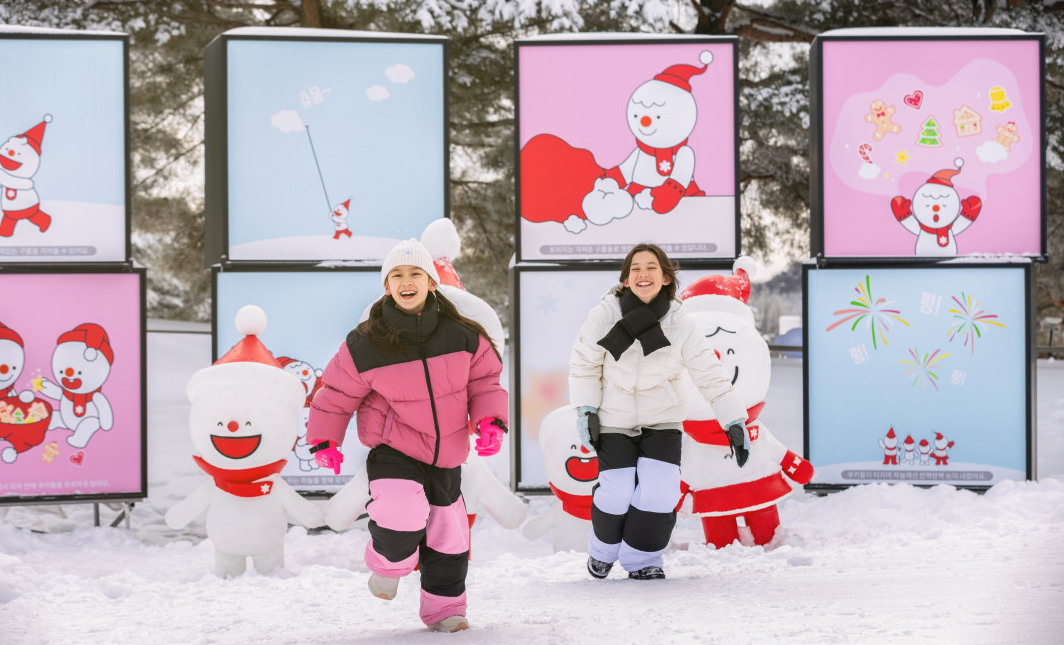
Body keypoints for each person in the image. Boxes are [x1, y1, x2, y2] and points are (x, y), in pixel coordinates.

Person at [306, 238, 508, 633]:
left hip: (447, 453)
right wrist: (324, 439)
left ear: (431, 282)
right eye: (397, 274)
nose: (406, 280)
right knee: (401, 513)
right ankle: (388, 565)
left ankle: (445, 610)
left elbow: (486, 383)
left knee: (449, 539)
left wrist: (489, 423)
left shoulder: (464, 335)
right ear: (387, 286)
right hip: (394, 448)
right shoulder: (367, 341)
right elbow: (335, 394)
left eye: (415, 273)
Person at [568, 242, 750, 580]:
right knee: (618, 487)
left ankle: (642, 559)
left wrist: (734, 420)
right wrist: (587, 410)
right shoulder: (605, 315)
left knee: (661, 488)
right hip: (614, 418)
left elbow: (709, 373)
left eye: (651, 267)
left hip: (662, 418)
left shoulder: (681, 322)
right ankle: (603, 552)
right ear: (625, 280)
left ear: (666, 277)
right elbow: (584, 365)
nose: (643, 274)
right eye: (635, 268)